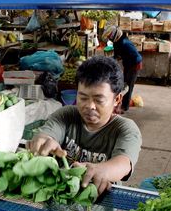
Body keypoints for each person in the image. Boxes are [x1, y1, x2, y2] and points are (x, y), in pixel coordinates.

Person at [27, 56, 142, 195]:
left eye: (99, 100)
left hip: (99, 208)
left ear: (117, 99)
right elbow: (47, 133)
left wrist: (101, 170)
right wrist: (43, 140)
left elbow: (123, 164)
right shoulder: (67, 114)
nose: (89, 106)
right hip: (58, 203)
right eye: (82, 98)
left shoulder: (125, 129)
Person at [103, 26, 142, 112]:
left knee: (129, 85)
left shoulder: (125, 43)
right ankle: (122, 102)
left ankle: (125, 106)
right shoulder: (117, 42)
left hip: (134, 65)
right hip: (128, 65)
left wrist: (128, 63)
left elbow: (137, 57)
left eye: (109, 36)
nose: (109, 38)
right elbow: (117, 55)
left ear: (114, 35)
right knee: (124, 84)